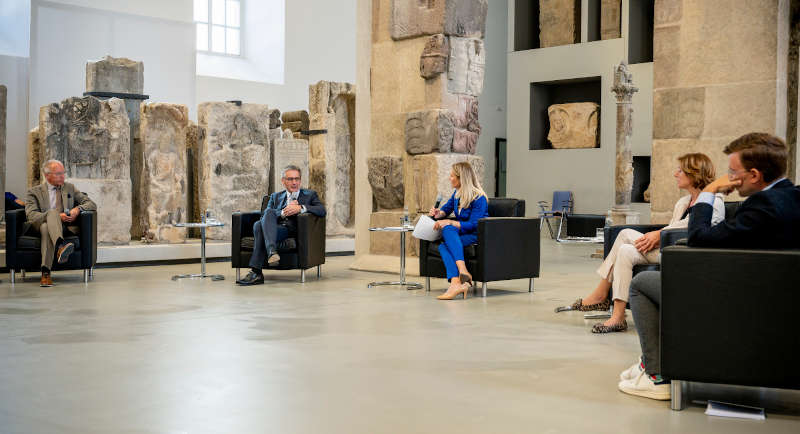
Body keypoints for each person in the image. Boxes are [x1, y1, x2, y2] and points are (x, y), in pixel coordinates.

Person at [619, 132, 800, 400]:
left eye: (732, 172)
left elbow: (699, 237)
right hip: (775, 299)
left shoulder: (764, 206)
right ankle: (651, 362)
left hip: (744, 304)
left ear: (754, 175)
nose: (727, 178)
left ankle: (657, 375)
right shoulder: (792, 197)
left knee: (642, 284)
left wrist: (708, 191)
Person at [557, 153, 725, 333]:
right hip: (667, 247)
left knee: (625, 235)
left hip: (683, 253)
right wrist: (659, 236)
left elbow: (694, 229)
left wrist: (659, 234)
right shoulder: (683, 202)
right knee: (625, 249)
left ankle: (600, 294)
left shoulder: (714, 201)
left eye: (680, 170)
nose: (675, 174)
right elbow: (674, 227)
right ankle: (618, 317)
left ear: (694, 173)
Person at [237, 165, 326, 285]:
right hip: (275, 229)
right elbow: (264, 215)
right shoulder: (276, 196)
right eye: (290, 179)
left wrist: (301, 208)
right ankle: (271, 253)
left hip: (292, 230)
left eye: (297, 179)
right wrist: (283, 212)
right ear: (283, 181)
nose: (294, 182)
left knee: (258, 226)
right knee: (260, 223)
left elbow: (322, 210)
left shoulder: (310, 195)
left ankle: (256, 271)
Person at [24, 159, 97, 287]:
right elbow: (31, 215)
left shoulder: (69, 188)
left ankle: (45, 274)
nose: (62, 176)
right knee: (51, 216)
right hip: (38, 225)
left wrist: (77, 209)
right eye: (58, 173)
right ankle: (60, 246)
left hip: (63, 228)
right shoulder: (34, 192)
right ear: (47, 175)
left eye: (63, 173)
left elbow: (91, 204)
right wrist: (56, 216)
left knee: (47, 228)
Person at [427, 162, 489, 300]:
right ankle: (457, 281)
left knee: (447, 234)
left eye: (452, 176)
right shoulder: (457, 194)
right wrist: (438, 213)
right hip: (462, 234)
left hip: (476, 235)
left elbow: (474, 224)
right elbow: (446, 209)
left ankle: (460, 275)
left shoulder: (479, 198)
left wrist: (450, 222)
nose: (450, 178)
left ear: (462, 178)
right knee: (446, 234)